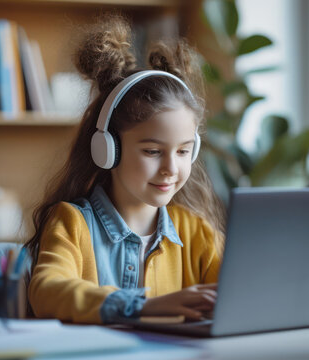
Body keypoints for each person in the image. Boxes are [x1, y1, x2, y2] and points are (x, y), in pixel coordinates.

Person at [25, 15, 225, 325]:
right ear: (107, 149)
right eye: (152, 151)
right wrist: (141, 305)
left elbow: (239, 295)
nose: (171, 168)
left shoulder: (197, 233)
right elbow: (47, 291)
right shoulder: (72, 223)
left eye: (184, 151)